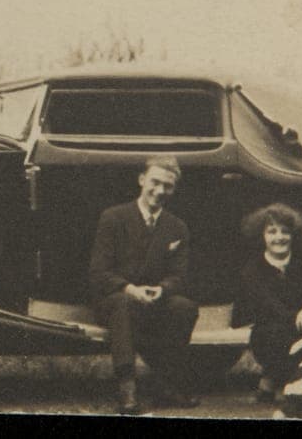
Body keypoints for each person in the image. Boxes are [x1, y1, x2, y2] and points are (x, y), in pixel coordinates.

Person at [88, 156, 200, 412]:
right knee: (122, 304)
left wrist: (162, 289)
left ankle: (164, 385)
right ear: (141, 180)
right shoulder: (113, 217)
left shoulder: (177, 227)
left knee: (184, 307)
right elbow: (99, 272)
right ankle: (127, 387)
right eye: (155, 182)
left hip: (154, 301)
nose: (160, 191)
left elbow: (179, 275)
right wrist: (129, 289)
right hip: (116, 299)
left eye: (167, 186)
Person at [231, 202, 302, 403]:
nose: (279, 237)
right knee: (276, 334)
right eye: (272, 232)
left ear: (293, 234)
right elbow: (271, 308)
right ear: (262, 236)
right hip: (272, 331)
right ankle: (275, 380)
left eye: (285, 232)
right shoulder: (252, 271)